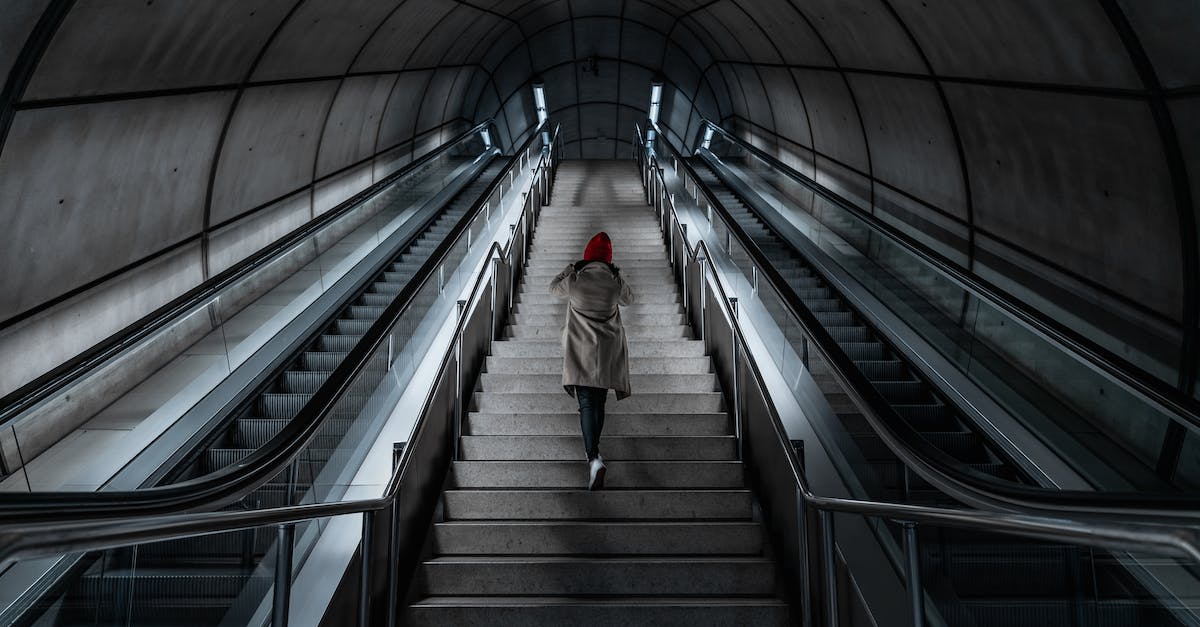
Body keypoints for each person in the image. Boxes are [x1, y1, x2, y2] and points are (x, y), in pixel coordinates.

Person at [549, 231, 633, 490]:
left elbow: (552, 289)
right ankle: (595, 455)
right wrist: (618, 275)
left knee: (586, 403)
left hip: (580, 352)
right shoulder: (614, 282)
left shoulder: (575, 280)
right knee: (599, 402)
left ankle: (593, 457)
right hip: (607, 353)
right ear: (608, 259)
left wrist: (570, 269)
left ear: (586, 257)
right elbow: (630, 299)